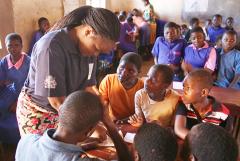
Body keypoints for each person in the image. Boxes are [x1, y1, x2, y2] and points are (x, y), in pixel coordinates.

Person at [16, 6, 120, 136]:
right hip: (40, 113)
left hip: (67, 110)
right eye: (96, 49)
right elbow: (57, 101)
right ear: (88, 31)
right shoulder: (51, 47)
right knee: (50, 153)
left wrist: (103, 112)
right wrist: (86, 127)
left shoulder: (89, 52)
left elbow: (89, 86)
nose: (96, 55)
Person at [15, 90, 133, 161]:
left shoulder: (26, 141)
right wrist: (110, 125)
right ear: (88, 132)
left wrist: (79, 148)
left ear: (60, 111)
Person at [174, 69, 232, 139]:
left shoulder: (223, 114)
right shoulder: (184, 105)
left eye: (188, 88)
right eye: (183, 87)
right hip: (190, 146)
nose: (183, 92)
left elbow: (223, 140)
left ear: (203, 92)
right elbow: (179, 129)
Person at [0, 33, 30, 161]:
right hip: (8, 94)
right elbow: (1, 80)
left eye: (16, 45)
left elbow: (31, 85)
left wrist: (18, 101)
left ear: (22, 46)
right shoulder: (4, 61)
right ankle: (6, 145)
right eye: (10, 46)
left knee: (19, 119)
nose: (13, 48)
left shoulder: (29, 61)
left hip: (25, 95)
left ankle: (21, 147)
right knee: (2, 109)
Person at [99, 52, 143, 122]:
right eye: (121, 68)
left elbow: (142, 114)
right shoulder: (108, 81)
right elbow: (102, 107)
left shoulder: (142, 87)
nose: (124, 73)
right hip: (113, 122)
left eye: (130, 71)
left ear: (138, 73)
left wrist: (124, 121)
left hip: (133, 122)